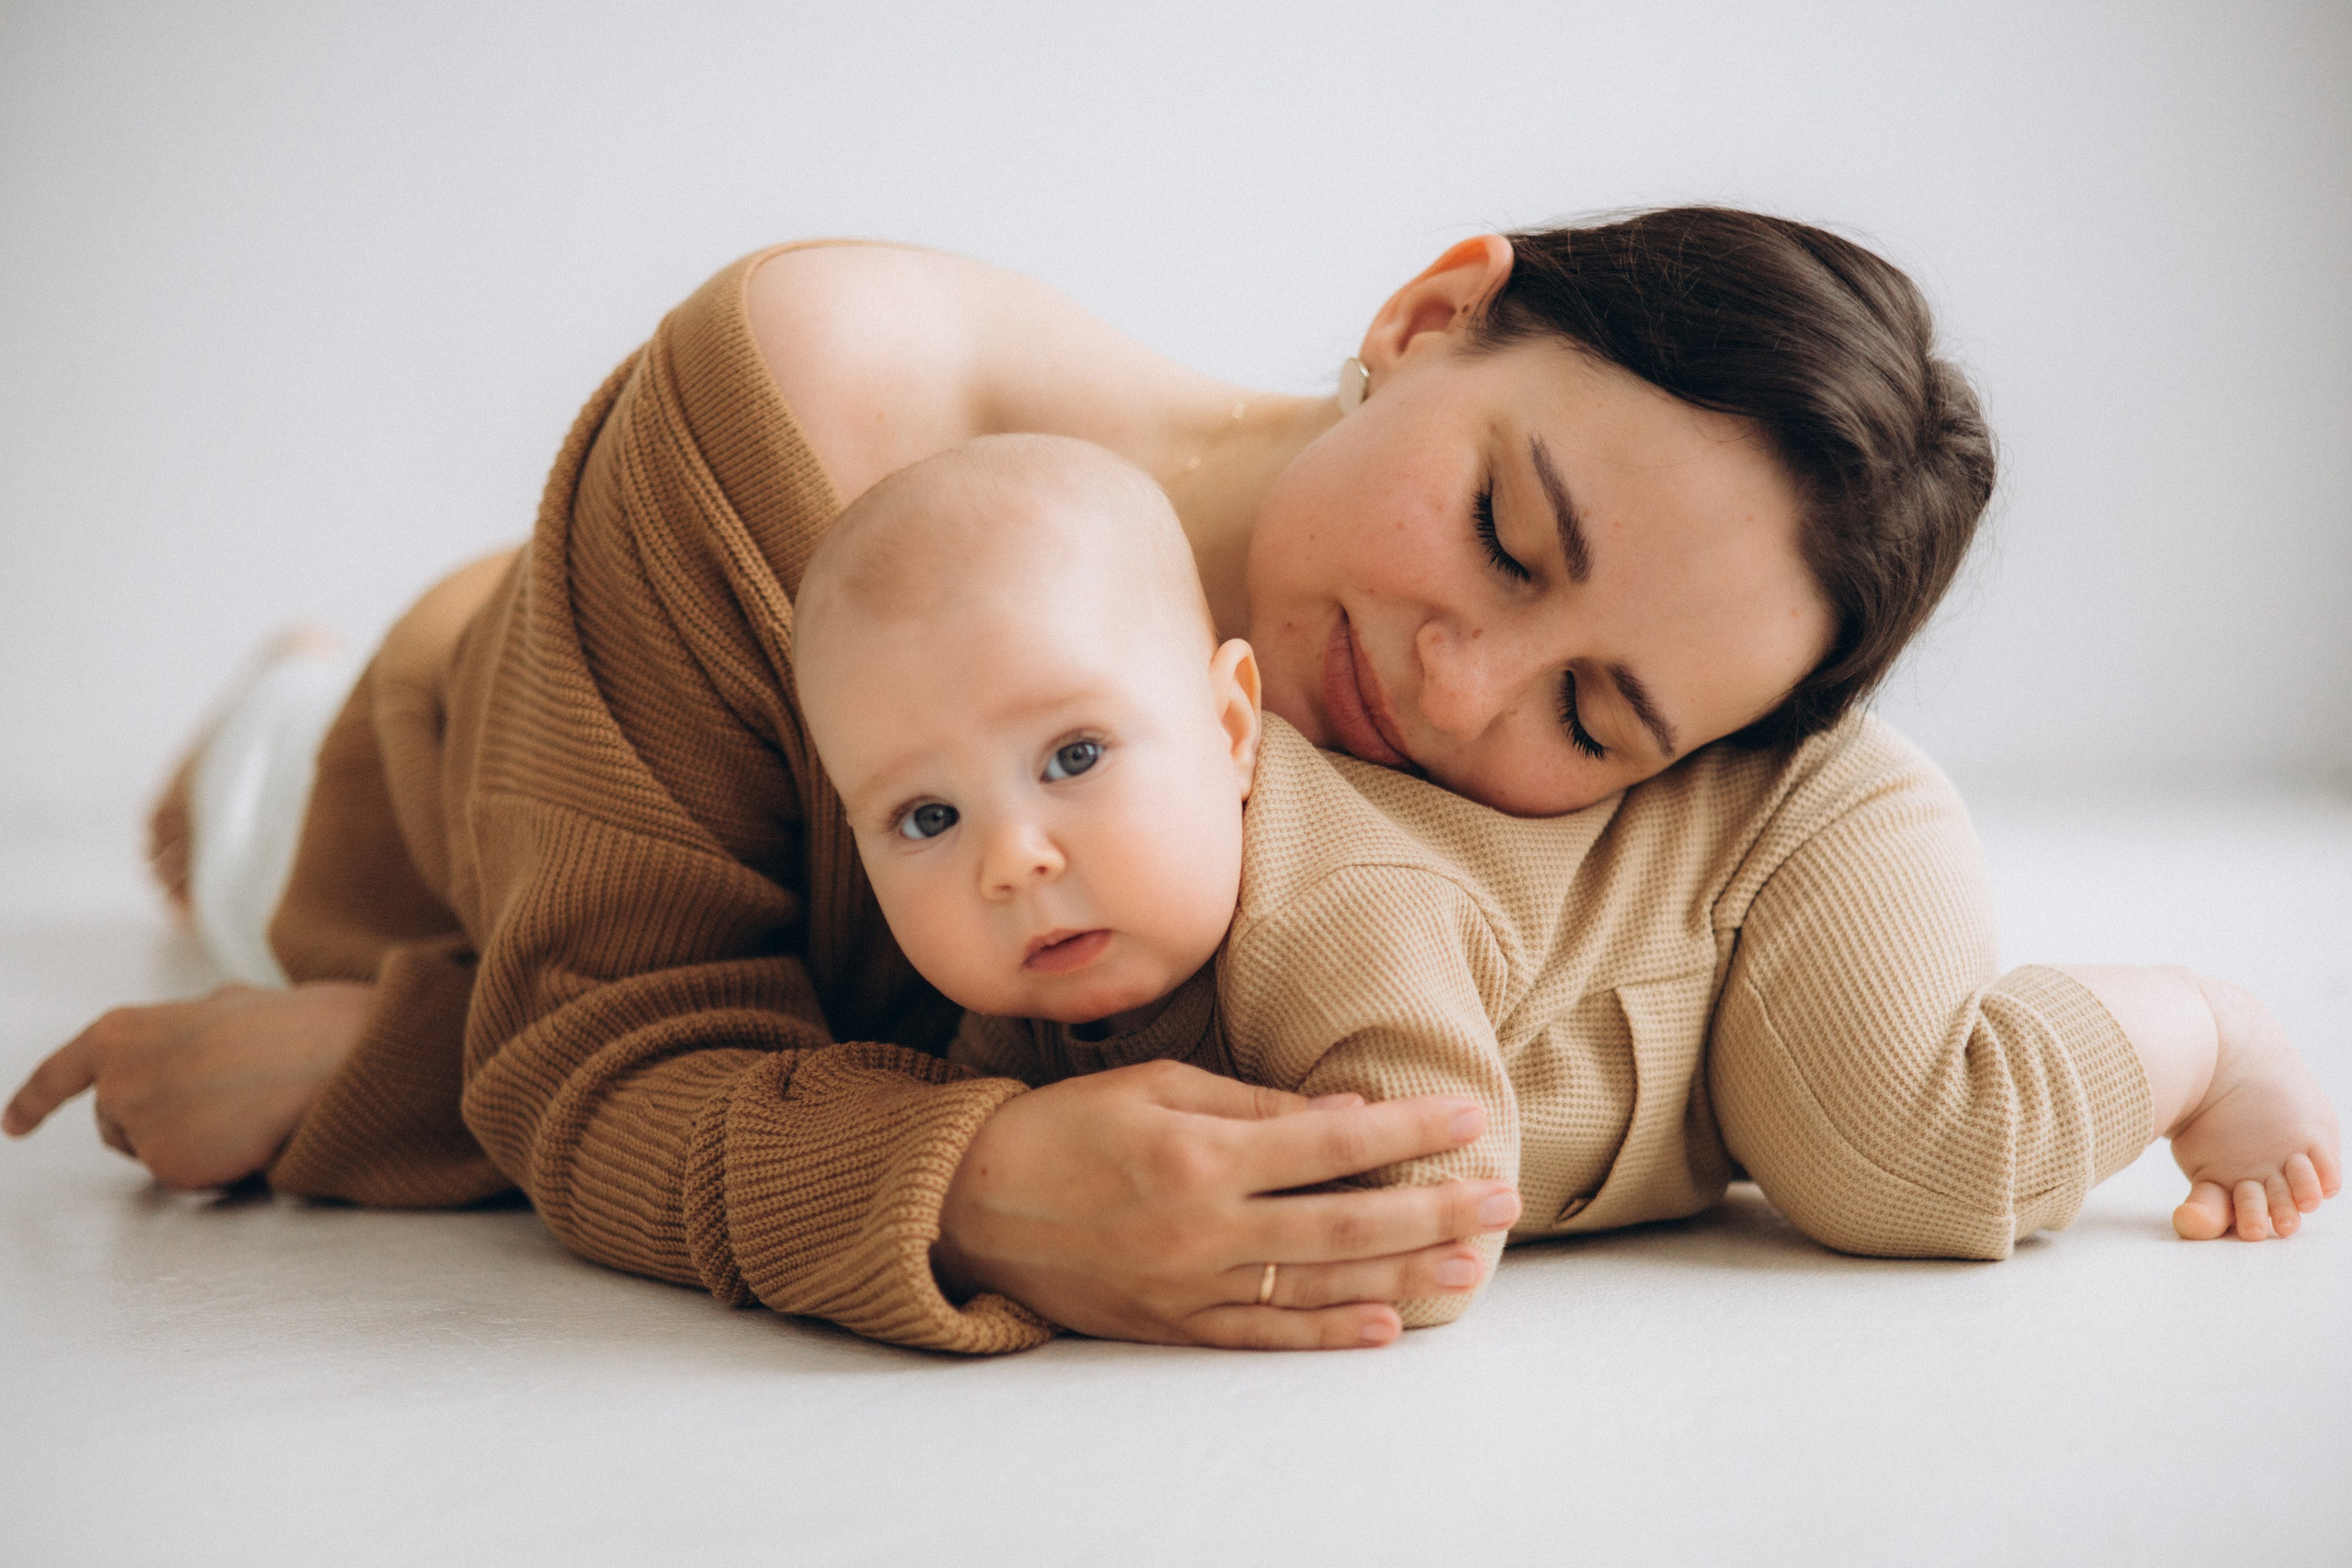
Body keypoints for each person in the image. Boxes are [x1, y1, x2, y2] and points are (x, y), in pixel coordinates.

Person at [6, 209, 2338, 1356]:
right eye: (1509, 534)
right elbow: (610, 1037)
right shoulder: (813, 413)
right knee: (251, 835)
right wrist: (976, 1182)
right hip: (453, 757)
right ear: (1432, 311)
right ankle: (286, 699)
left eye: (1595, 715)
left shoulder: (1453, 775)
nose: (1455, 676)